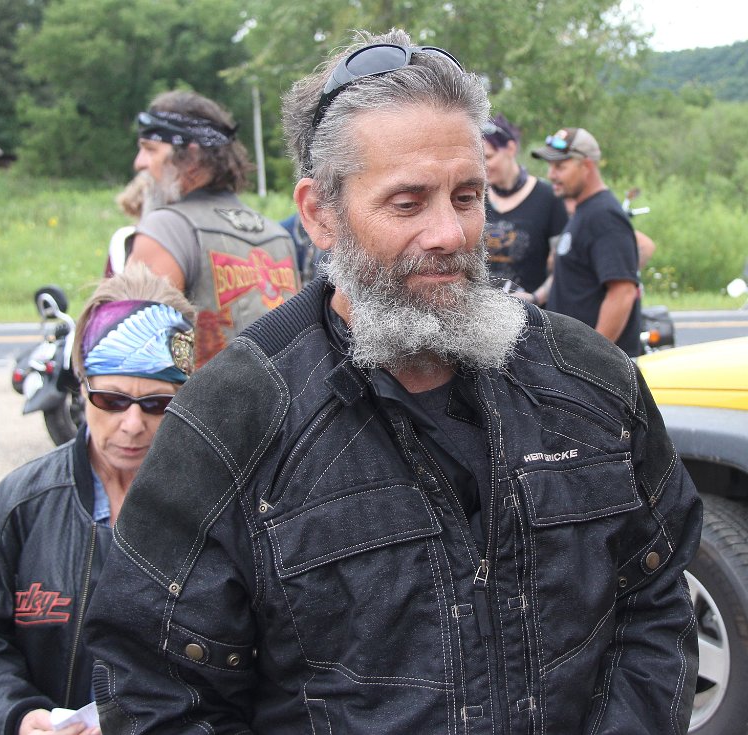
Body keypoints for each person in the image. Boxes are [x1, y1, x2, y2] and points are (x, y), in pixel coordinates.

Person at [84, 29, 701, 734]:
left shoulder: (589, 381)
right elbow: (155, 690)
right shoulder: (235, 416)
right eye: (408, 203)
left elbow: (655, 599)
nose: (450, 233)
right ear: (320, 213)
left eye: (466, 196)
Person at [0, 265, 196, 735]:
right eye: (111, 400)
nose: (132, 424)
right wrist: (18, 716)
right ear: (81, 388)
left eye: (157, 403)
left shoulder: (221, 509)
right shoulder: (22, 505)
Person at [128, 90, 300, 367]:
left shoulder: (165, 229)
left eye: (150, 149)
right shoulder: (276, 234)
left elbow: (138, 353)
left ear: (191, 157)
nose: (140, 162)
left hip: (198, 395)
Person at [531, 127, 642, 356]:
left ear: (587, 166)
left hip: (593, 368)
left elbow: (622, 293)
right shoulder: (585, 212)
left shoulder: (604, 216)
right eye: (550, 166)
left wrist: (594, 358)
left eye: (560, 167)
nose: (551, 175)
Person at [482, 114, 567, 303]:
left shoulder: (548, 198)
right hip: (484, 313)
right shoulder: (474, 198)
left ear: (511, 149)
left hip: (532, 314)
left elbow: (564, 268)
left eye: (488, 157)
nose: (482, 165)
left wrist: (535, 298)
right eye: (477, 158)